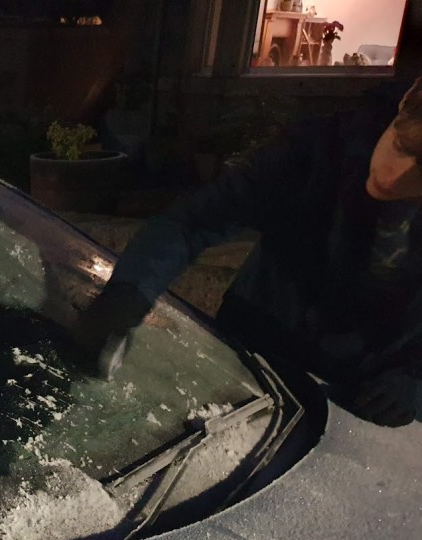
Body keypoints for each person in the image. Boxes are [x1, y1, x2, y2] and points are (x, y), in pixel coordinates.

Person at [76, 77, 422, 427]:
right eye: (402, 146)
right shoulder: (321, 148)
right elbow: (194, 222)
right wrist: (130, 291)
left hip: (359, 403)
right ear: (406, 101)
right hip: (250, 361)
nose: (395, 176)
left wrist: (415, 380)